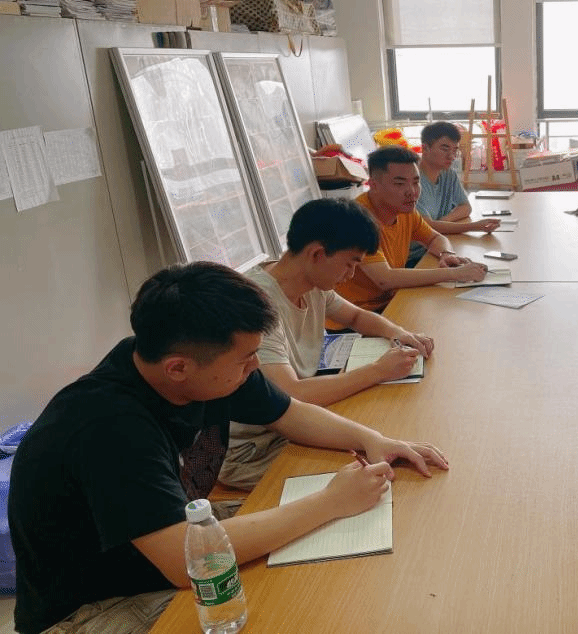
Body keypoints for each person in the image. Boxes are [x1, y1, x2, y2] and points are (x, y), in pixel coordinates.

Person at [8, 262, 448, 634]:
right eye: (246, 359)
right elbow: (184, 562)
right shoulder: (109, 427)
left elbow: (289, 412)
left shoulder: (190, 366)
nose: (255, 366)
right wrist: (330, 502)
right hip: (91, 606)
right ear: (178, 368)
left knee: (326, 563)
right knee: (289, 609)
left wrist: (373, 439)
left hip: (167, 539)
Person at [219, 197, 435, 490]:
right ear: (317, 254)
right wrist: (377, 371)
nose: (352, 274)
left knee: (387, 443)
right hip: (257, 450)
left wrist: (399, 333)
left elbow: (356, 316)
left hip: (297, 424)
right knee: (382, 480)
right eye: (350, 264)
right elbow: (292, 394)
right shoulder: (256, 305)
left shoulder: (312, 283)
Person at [333, 145, 488, 313]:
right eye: (400, 183)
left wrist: (446, 254)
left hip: (391, 300)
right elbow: (384, 279)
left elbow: (436, 238)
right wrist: (455, 274)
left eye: (416, 182)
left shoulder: (405, 210)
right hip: (355, 314)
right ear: (374, 185)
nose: (412, 192)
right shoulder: (357, 218)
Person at [406, 121, 501, 266]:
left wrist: (444, 221)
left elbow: (465, 207)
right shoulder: (413, 181)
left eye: (455, 150)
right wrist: (474, 226)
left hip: (438, 245)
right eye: (445, 149)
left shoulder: (448, 174)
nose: (452, 156)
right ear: (425, 148)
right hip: (415, 257)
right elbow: (428, 227)